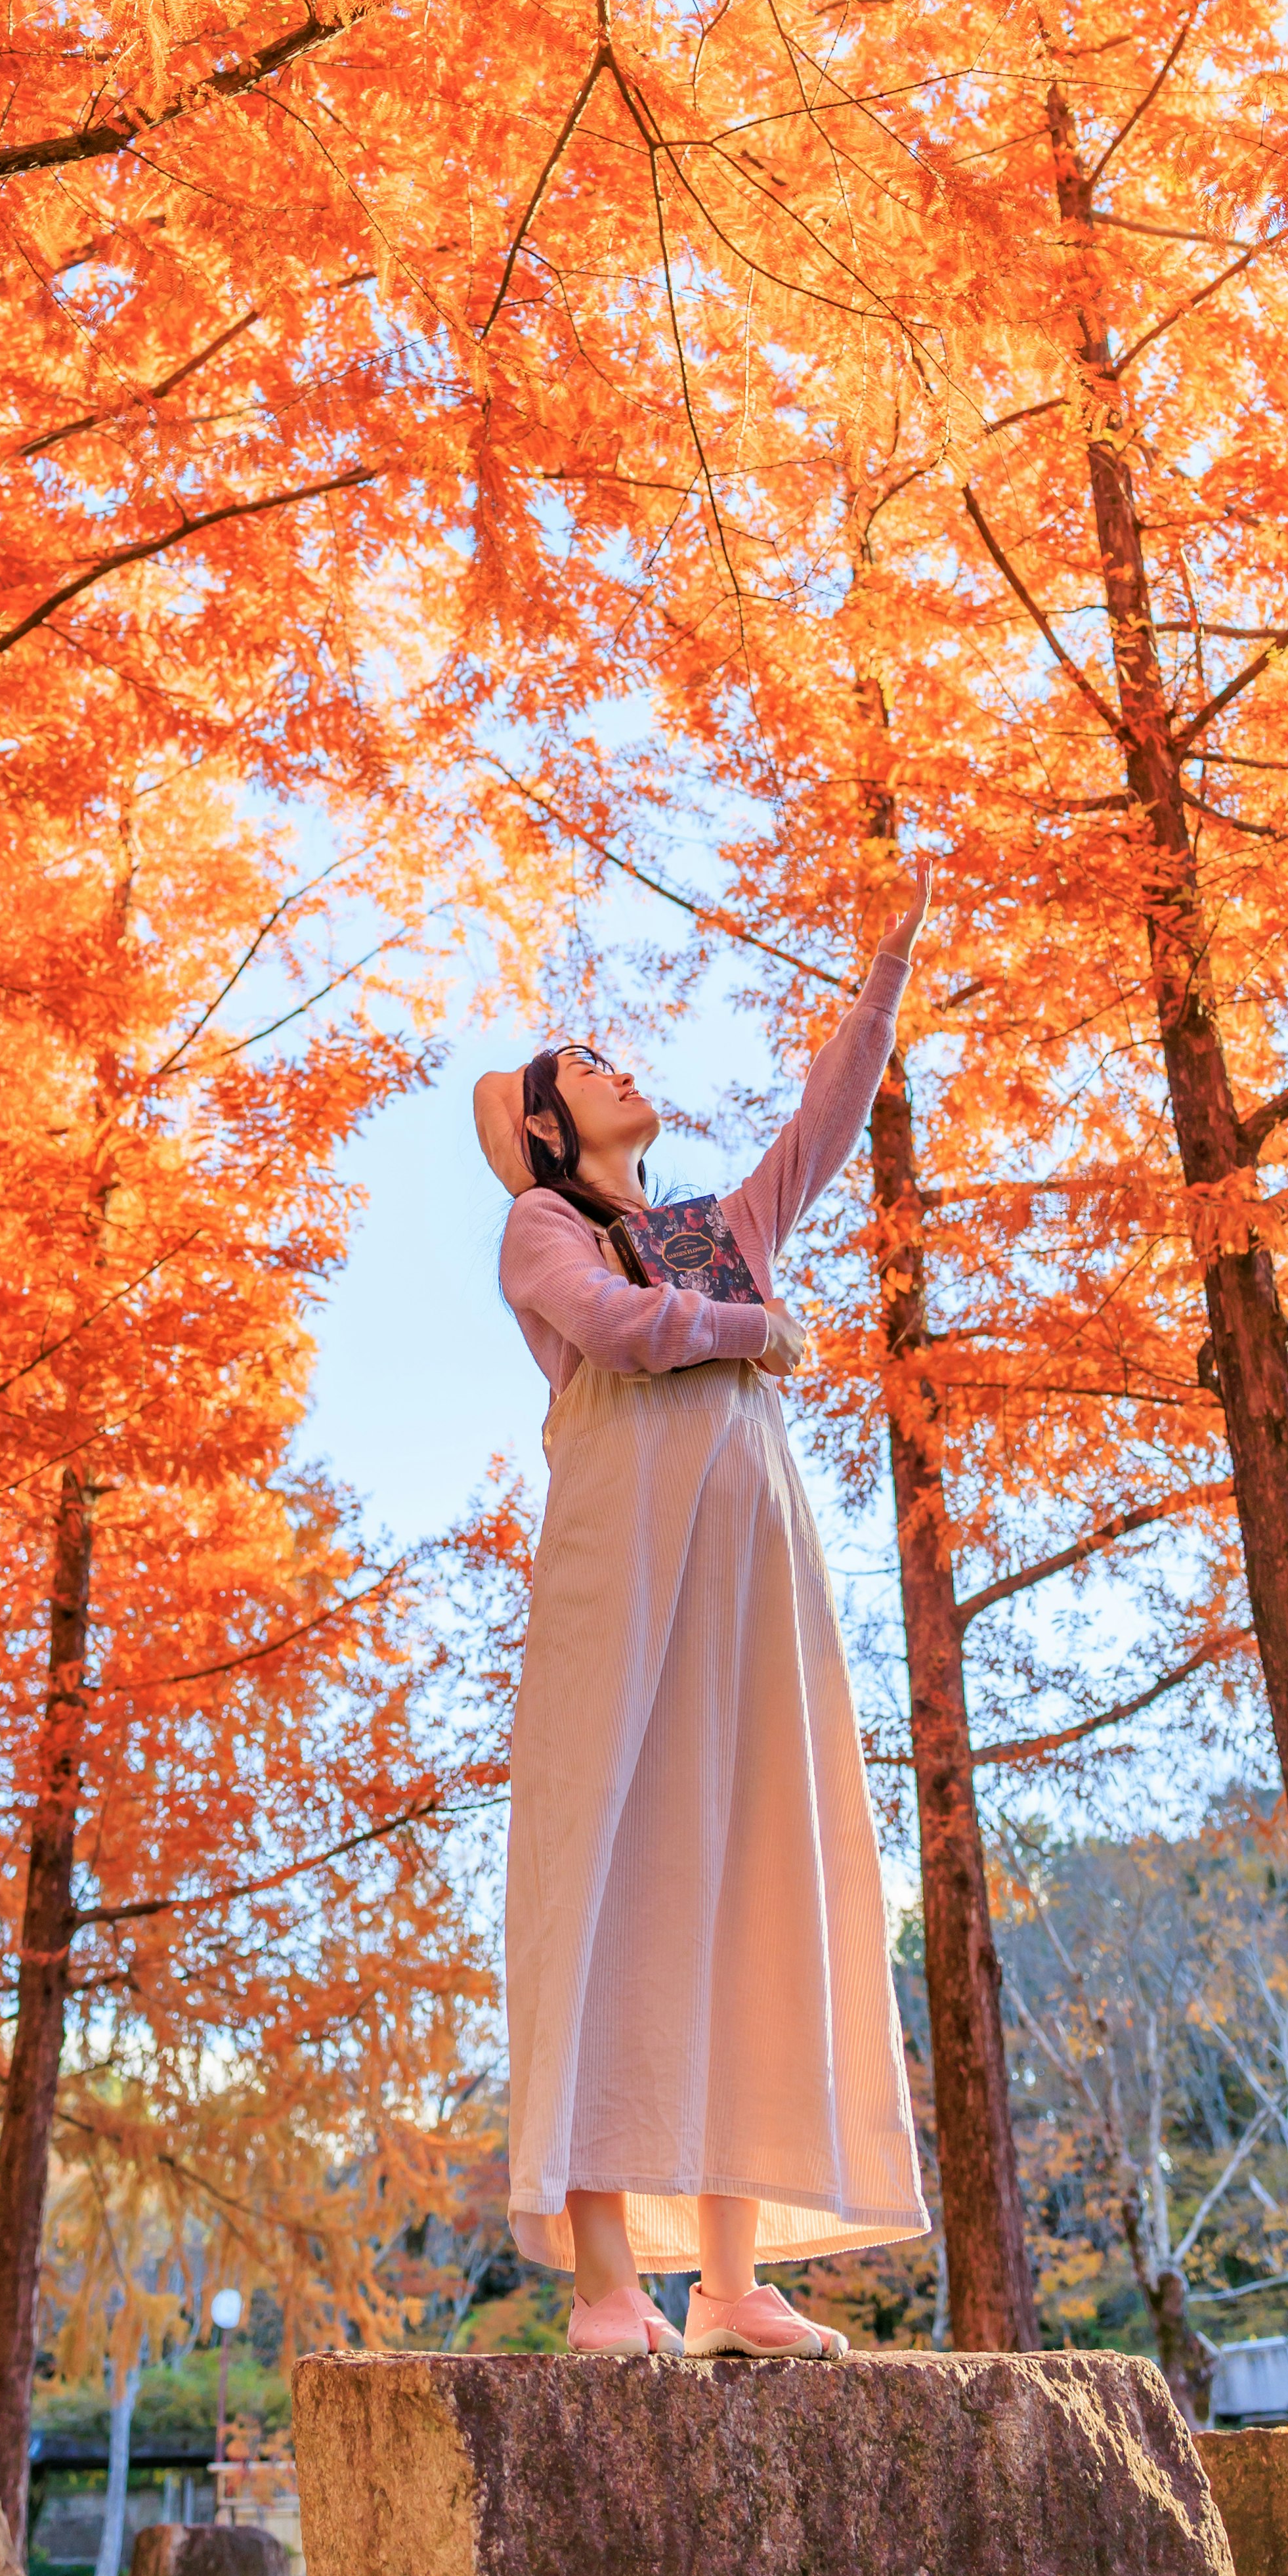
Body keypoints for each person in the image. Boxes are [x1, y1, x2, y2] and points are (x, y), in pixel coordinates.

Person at [470, 866, 934, 2358]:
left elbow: (822, 1132)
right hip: (622, 1586)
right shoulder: (546, 1231)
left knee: (745, 1877)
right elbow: (617, 1330)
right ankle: (611, 2288)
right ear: (549, 1124)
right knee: (607, 1876)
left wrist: (882, 981)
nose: (621, 1068)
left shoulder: (712, 1226)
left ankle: (732, 2288)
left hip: (751, 1599)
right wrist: (755, 1328)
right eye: (586, 1066)